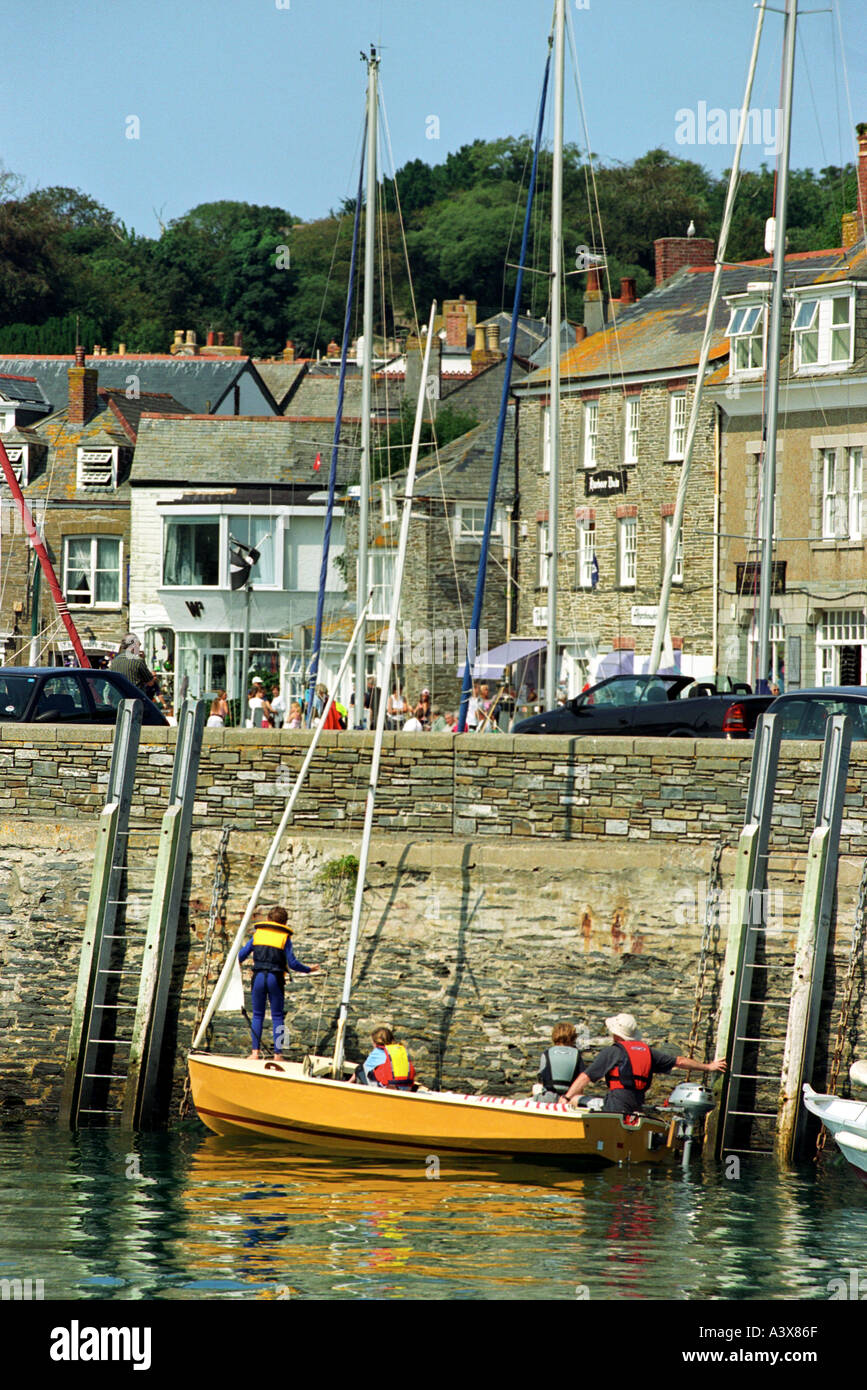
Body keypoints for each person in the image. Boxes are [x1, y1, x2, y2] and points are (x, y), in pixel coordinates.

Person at [561, 1012, 726, 1115]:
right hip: (637, 1105)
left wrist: (566, 1097)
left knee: (576, 1099)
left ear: (615, 1034)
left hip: (615, 1106)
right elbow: (680, 1061)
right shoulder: (648, 1051)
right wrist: (709, 1066)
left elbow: (585, 1077)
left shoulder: (613, 1051)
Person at [238, 905, 320, 1059]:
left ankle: (254, 1053)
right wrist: (309, 969)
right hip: (275, 979)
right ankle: (278, 1054)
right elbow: (293, 964)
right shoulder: (285, 938)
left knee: (257, 1015)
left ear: (268, 919)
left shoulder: (257, 935)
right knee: (277, 1017)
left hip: (259, 978)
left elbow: (240, 956)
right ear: (284, 923)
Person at [350, 1026, 417, 1089]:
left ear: (375, 1043)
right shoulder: (400, 1050)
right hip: (405, 1087)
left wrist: (350, 1081)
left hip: (387, 1088)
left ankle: (349, 1084)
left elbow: (365, 1068)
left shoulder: (377, 1052)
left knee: (359, 1069)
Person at [534, 1022, 584, 1103]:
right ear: (573, 1037)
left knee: (536, 1087)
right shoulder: (577, 1054)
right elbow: (581, 1081)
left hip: (549, 1097)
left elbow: (541, 1078)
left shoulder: (547, 1053)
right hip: (569, 1097)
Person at [110, 634, 159, 699]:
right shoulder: (138, 661)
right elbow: (150, 683)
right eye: (139, 645)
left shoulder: (114, 661)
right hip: (134, 700)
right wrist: (143, 660)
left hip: (117, 699)